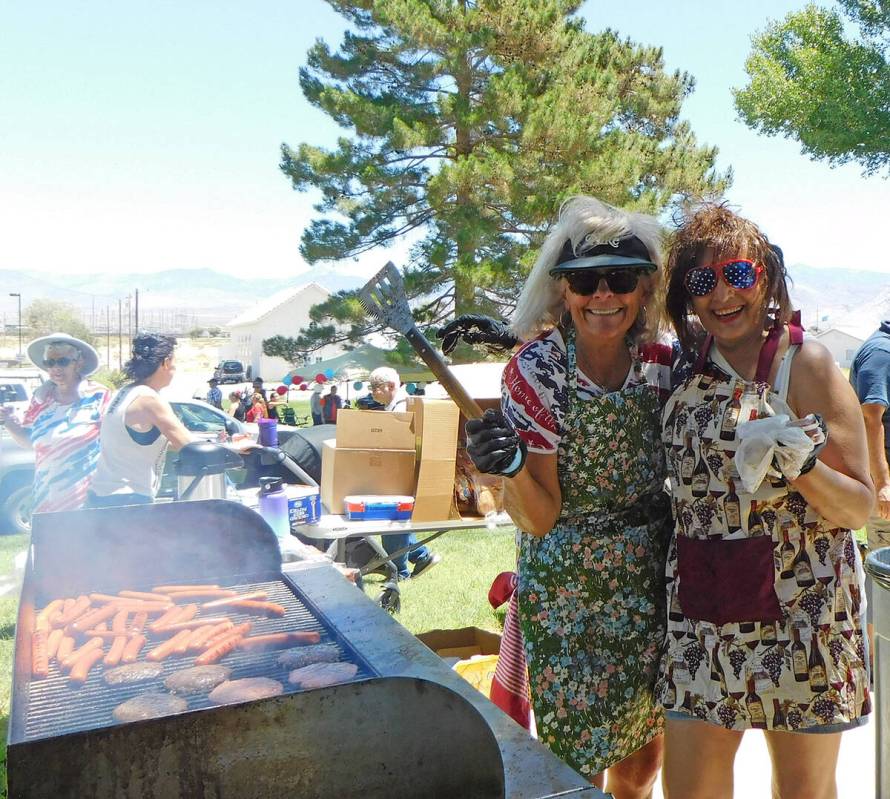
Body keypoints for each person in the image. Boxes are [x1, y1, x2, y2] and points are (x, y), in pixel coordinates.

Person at [658, 204, 872, 799]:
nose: (722, 294)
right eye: (702, 282)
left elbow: (859, 507)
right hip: (703, 615)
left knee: (804, 792)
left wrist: (801, 466)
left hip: (804, 616)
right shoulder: (680, 369)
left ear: (767, 278)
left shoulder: (807, 364)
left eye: (738, 275)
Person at [465, 196, 673, 796]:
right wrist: (509, 469)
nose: (603, 295)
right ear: (562, 290)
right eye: (585, 280)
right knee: (575, 763)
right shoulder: (538, 369)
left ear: (644, 289)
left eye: (621, 278)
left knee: (641, 760)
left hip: (648, 581)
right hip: (568, 589)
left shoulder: (662, 361)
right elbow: (540, 516)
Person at [0, 333, 110, 513]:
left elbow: (113, 440)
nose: (56, 368)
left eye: (63, 361)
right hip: (46, 498)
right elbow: (31, 443)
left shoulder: (99, 395)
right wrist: (9, 424)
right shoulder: (40, 400)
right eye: (50, 363)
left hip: (88, 499)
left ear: (79, 362)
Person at [86, 333, 193, 507]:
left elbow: (153, 443)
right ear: (166, 362)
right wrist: (234, 449)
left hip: (103, 497)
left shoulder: (124, 392)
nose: (174, 370)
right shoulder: (148, 399)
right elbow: (190, 446)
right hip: (126, 500)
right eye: (174, 363)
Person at [366, 365, 441, 580]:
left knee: (392, 521)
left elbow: (397, 446)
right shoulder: (400, 405)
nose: (372, 392)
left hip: (400, 473)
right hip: (402, 472)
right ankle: (420, 556)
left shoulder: (400, 409)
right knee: (397, 520)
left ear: (390, 386)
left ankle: (398, 571)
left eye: (375, 388)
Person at [848, 321, 890, 672]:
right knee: (884, 573)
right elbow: (870, 417)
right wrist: (882, 483)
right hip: (886, 486)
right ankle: (878, 663)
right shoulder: (881, 353)